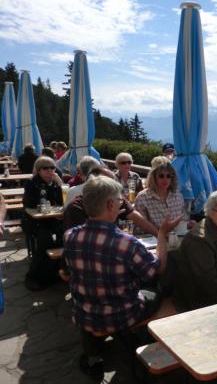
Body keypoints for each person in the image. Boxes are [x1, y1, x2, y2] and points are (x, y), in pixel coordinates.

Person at [64, 175, 181, 379]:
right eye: (120, 200)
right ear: (110, 204)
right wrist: (162, 234)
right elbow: (156, 270)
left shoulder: (71, 235)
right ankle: (149, 349)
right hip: (122, 315)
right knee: (158, 289)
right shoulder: (126, 243)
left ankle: (94, 357)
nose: (122, 204)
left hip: (84, 312)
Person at [63, 165, 158, 236]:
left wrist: (158, 234)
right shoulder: (75, 207)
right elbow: (87, 238)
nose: (114, 187)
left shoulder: (116, 199)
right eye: (110, 184)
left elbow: (137, 218)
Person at [22, 156, 64, 290]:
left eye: (52, 167)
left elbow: (63, 202)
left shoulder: (56, 182)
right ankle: (32, 276)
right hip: (33, 220)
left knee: (64, 237)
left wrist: (60, 185)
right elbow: (29, 205)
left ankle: (54, 273)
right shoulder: (31, 183)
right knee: (45, 240)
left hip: (51, 220)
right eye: (45, 168)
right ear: (38, 170)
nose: (50, 171)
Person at [135, 157, 183, 231]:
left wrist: (189, 223)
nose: (165, 179)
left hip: (177, 238)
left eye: (168, 176)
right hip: (155, 239)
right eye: (161, 176)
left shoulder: (178, 195)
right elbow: (141, 227)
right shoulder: (143, 198)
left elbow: (183, 220)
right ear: (153, 177)